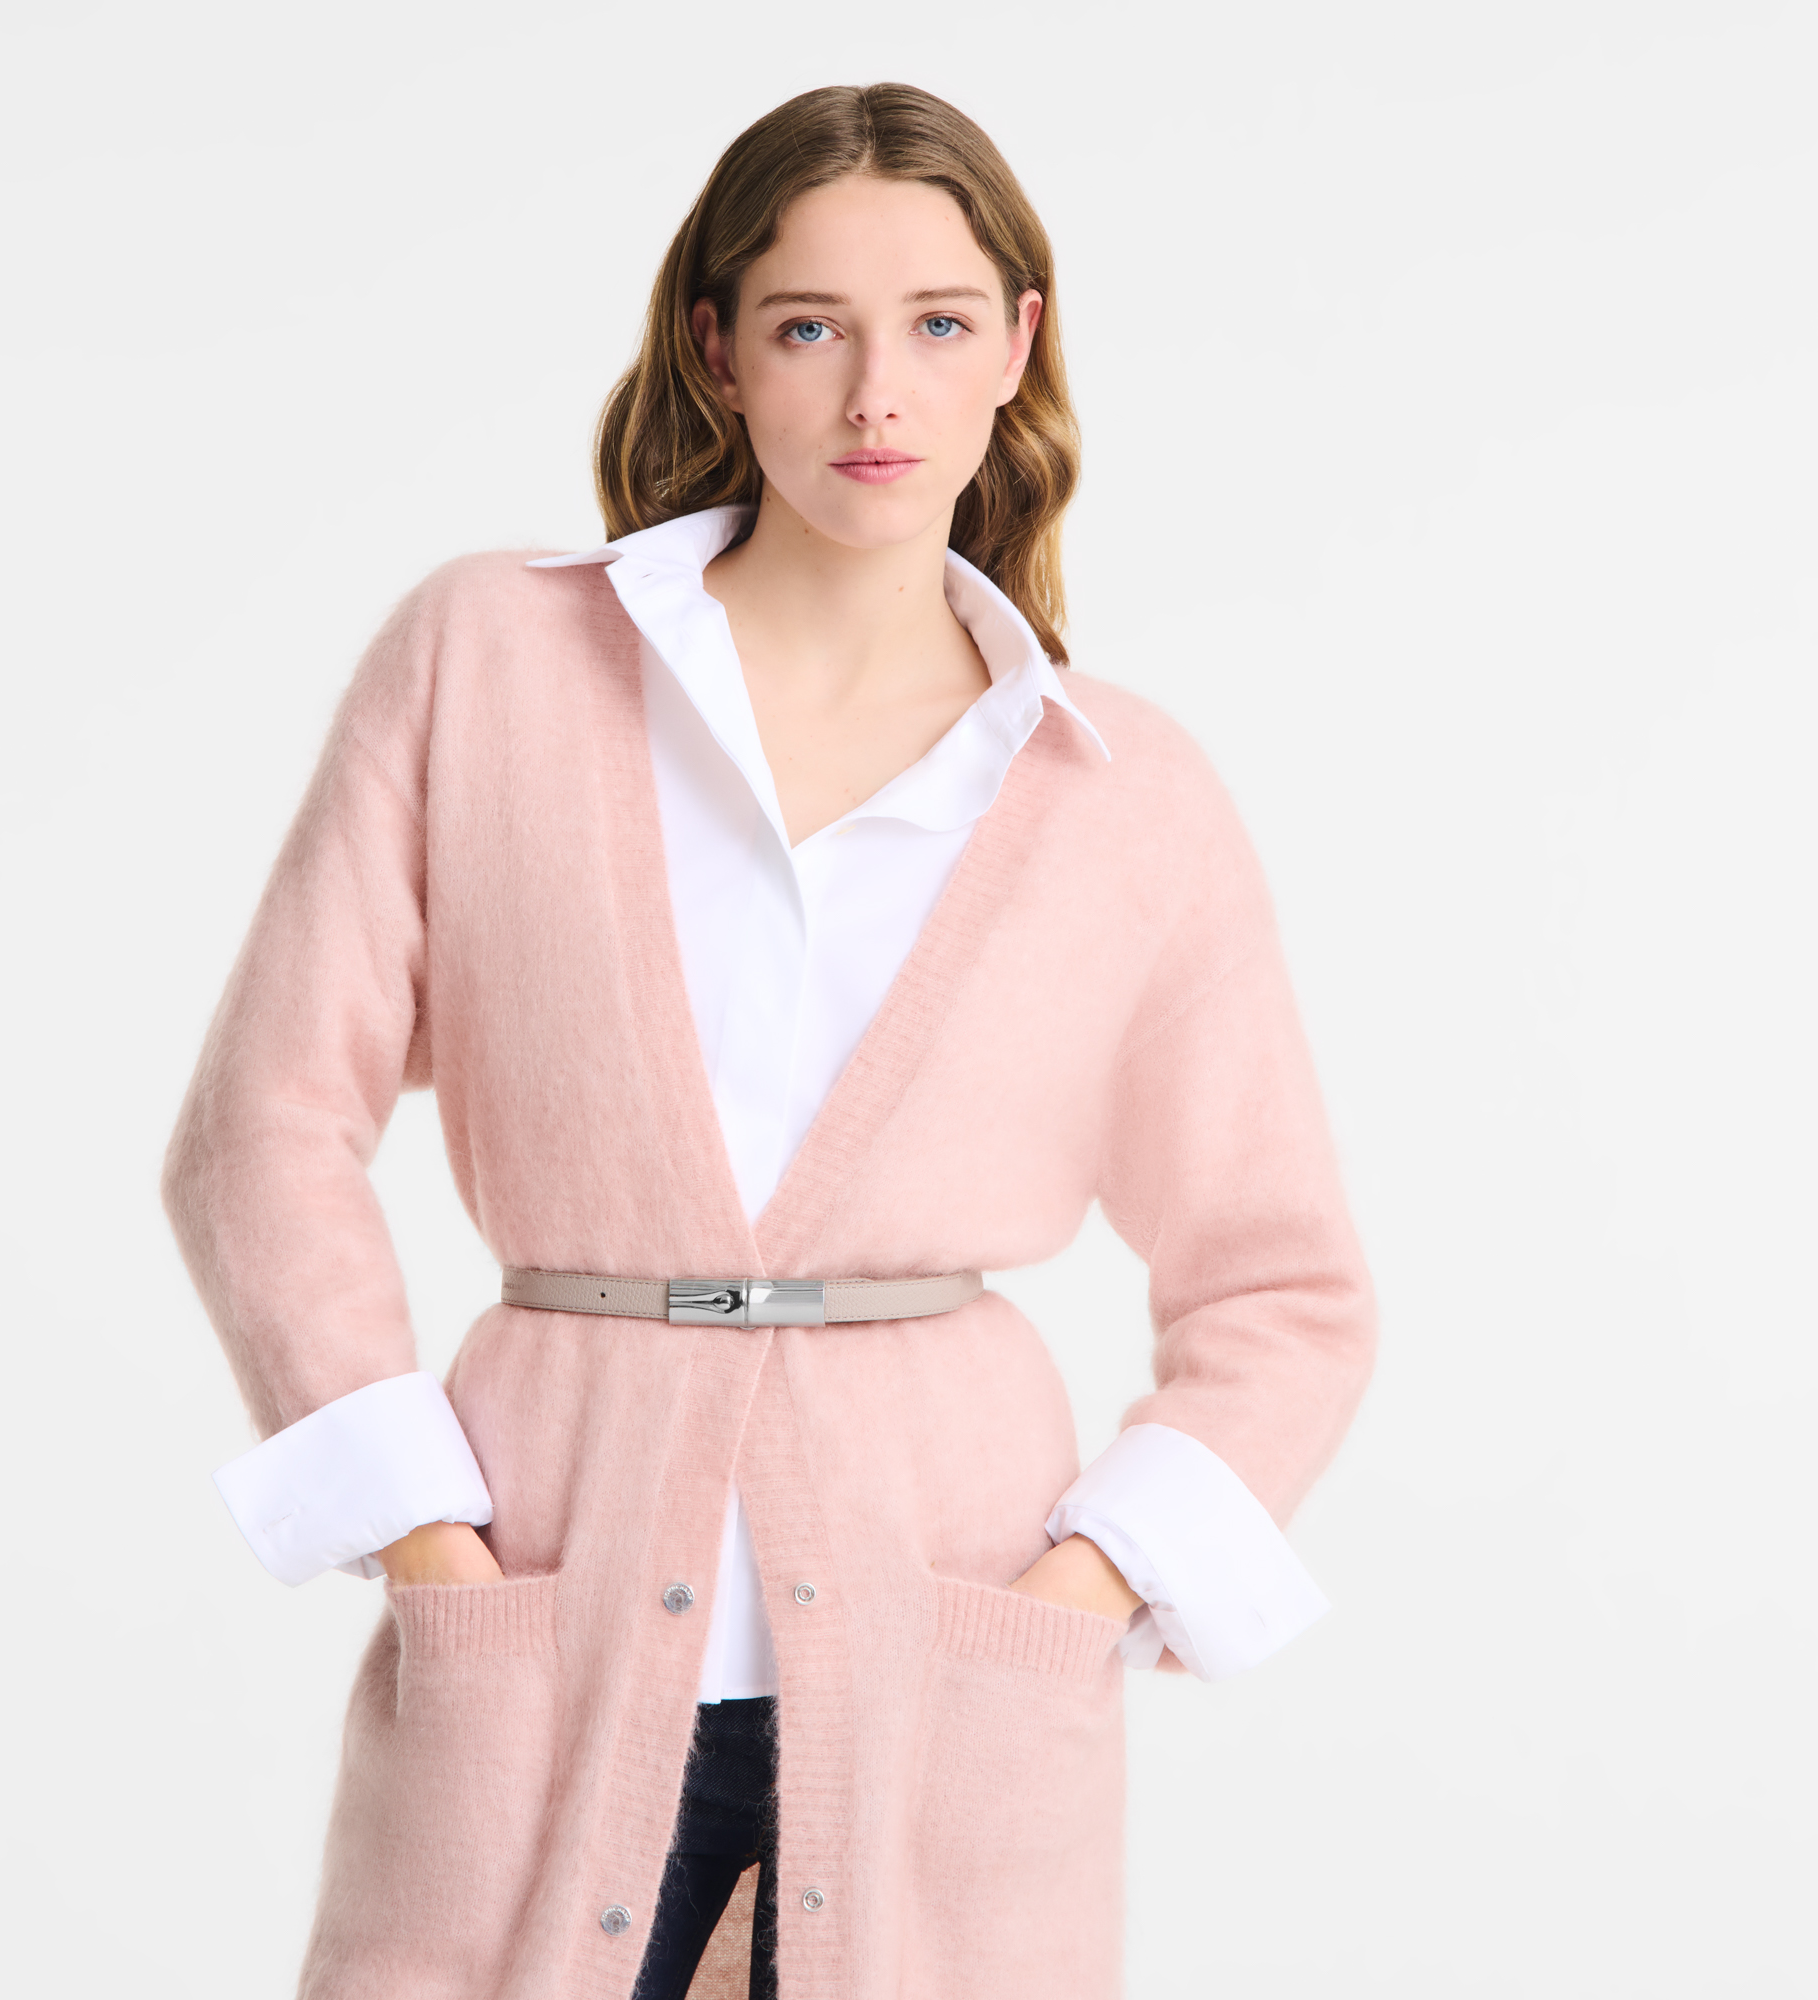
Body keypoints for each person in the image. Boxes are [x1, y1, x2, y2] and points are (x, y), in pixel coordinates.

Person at [163, 81, 1376, 2000]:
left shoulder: (1122, 796)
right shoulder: (490, 662)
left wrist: (1088, 1588)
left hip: (947, 1656)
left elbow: (1285, 1289)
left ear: (1018, 347)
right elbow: (261, 1130)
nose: (878, 393)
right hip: (540, 1611)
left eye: (938, 323)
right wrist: (419, 1533)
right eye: (813, 326)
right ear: (719, 347)